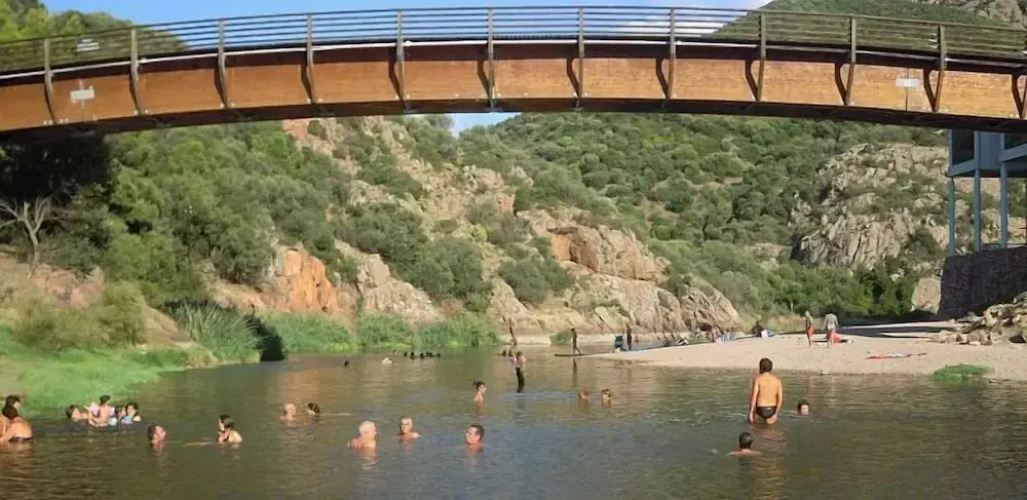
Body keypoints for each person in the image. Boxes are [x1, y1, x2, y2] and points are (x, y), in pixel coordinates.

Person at [748, 358, 783, 425]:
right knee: (771, 430)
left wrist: (751, 412)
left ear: (760, 367)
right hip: (772, 409)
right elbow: (780, 399)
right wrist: (776, 413)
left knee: (756, 429)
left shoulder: (758, 379)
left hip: (760, 409)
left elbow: (754, 396)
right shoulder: (777, 381)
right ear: (771, 368)